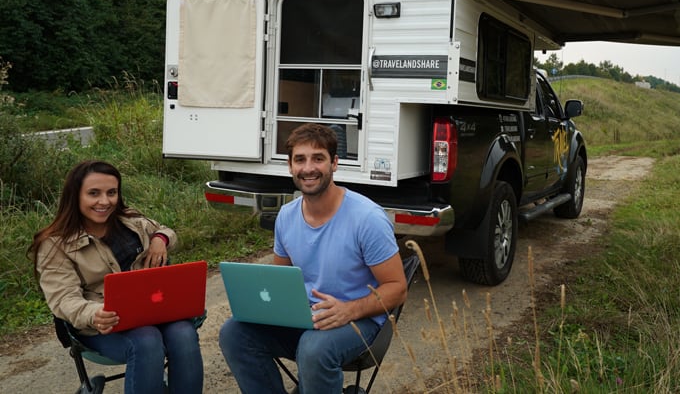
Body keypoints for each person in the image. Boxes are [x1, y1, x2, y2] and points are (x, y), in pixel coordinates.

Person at [219, 123, 407, 394]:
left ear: (334, 164)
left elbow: (397, 289)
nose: (308, 168)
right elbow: (279, 283)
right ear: (290, 166)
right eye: (300, 160)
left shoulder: (367, 219)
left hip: (360, 319)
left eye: (318, 158)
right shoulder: (286, 216)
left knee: (314, 348)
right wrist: (260, 305)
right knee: (234, 333)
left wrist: (348, 310)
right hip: (307, 318)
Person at [29, 160, 203, 394]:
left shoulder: (131, 223)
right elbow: (63, 299)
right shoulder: (55, 245)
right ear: (75, 196)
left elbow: (167, 230)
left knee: (183, 333)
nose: (104, 201)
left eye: (111, 193)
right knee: (147, 340)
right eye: (94, 193)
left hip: (149, 313)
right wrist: (94, 314)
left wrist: (160, 239)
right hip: (99, 325)